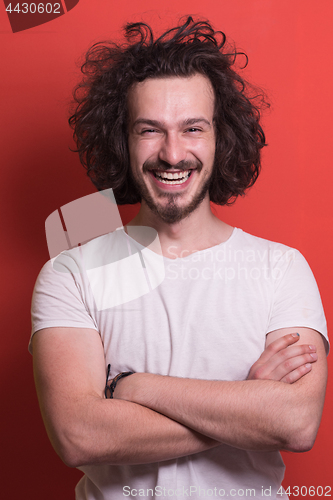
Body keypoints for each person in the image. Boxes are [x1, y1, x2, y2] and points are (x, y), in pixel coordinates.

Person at [30, 17, 328, 500]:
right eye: (150, 130)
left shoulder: (281, 269)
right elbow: (79, 435)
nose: (172, 154)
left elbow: (295, 423)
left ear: (220, 136)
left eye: (193, 128)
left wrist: (135, 387)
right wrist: (246, 405)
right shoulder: (71, 274)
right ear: (121, 140)